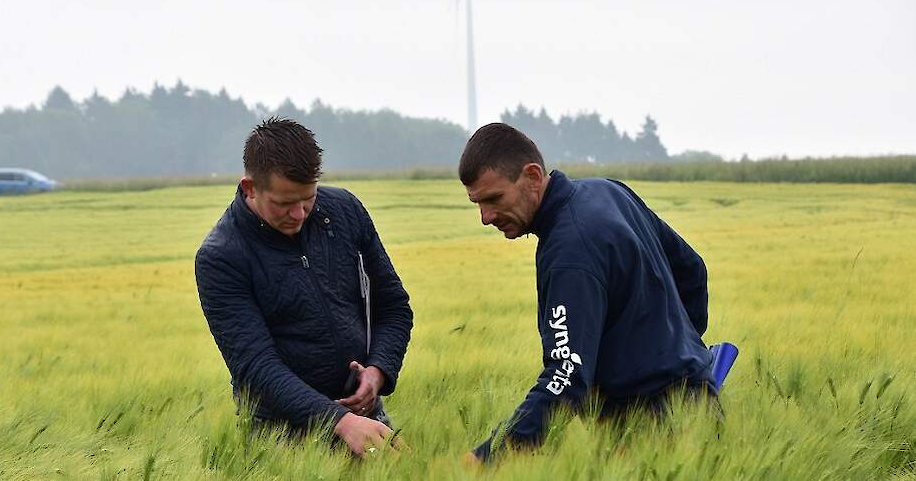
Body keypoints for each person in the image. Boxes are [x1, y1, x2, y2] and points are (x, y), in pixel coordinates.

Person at [458, 123, 719, 463]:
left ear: (533, 177)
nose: (485, 217)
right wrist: (680, 352)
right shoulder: (609, 191)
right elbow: (692, 270)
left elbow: (566, 377)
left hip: (648, 434)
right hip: (702, 409)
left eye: (494, 199)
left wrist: (488, 457)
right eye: (478, 203)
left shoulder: (570, 252)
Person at [195, 117, 413, 457]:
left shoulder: (345, 211)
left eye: (308, 199)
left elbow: (394, 306)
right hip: (278, 438)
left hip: (366, 418)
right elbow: (255, 367)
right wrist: (338, 420)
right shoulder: (221, 257)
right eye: (283, 204)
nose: (298, 214)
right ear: (250, 188)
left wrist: (379, 371)